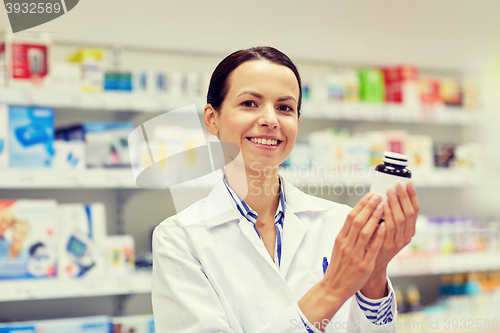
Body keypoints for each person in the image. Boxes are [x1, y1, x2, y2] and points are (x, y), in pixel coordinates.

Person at [152, 47, 420, 333]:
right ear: (212, 118)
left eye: (285, 107)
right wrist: (331, 290)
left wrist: (374, 274)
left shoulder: (340, 222)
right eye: (250, 104)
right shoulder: (179, 239)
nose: (271, 120)